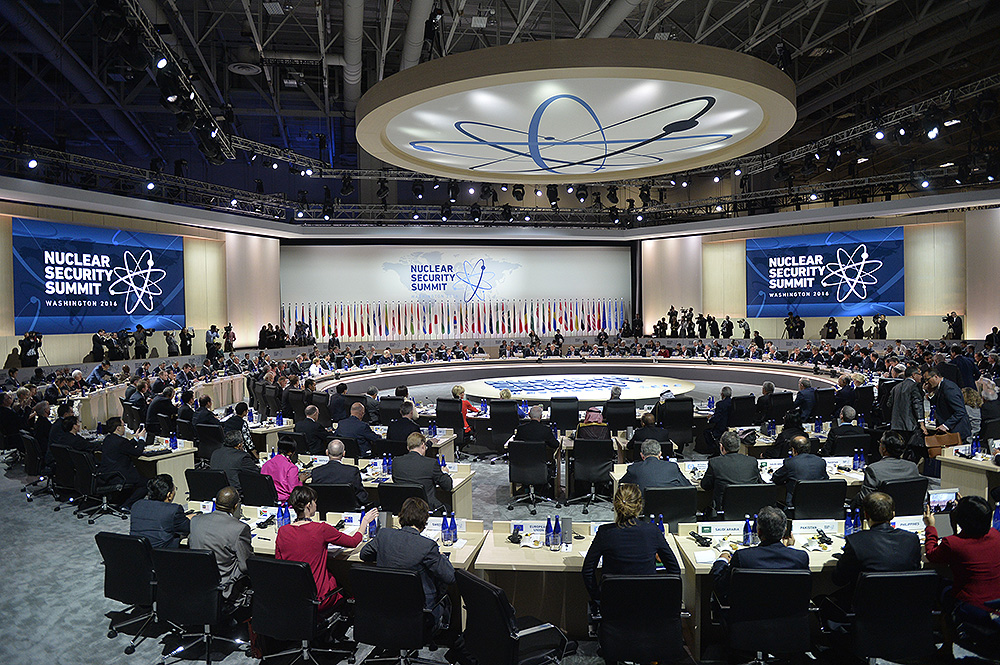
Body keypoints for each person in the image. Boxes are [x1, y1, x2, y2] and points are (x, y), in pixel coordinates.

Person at [276, 485, 377, 612]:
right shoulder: (321, 529)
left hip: (293, 597)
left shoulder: (282, 531)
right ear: (309, 505)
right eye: (315, 502)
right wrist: (364, 522)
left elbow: (280, 564)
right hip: (320, 598)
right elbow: (353, 542)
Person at [360, 497, 455, 628]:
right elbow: (450, 577)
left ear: (401, 516)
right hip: (420, 611)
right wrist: (442, 557)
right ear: (425, 520)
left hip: (385, 606)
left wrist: (386, 552)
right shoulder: (427, 546)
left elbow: (364, 555)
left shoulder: (384, 535)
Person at [582, 483, 680, 607]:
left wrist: (598, 598)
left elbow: (587, 570)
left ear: (615, 504)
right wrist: (663, 597)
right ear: (640, 506)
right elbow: (674, 569)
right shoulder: (652, 531)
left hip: (612, 606)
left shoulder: (605, 532)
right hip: (648, 605)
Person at [711, 506, 809, 602]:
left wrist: (722, 560)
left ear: (759, 531)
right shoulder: (801, 558)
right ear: (784, 531)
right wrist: (790, 548)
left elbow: (720, 587)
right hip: (789, 612)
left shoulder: (743, 557)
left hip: (749, 612)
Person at [924, 495, 1000, 611]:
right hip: (996, 603)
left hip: (969, 606)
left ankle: (944, 620)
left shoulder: (952, 544)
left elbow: (931, 554)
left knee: (938, 583)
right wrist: (970, 507)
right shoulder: (996, 535)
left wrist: (930, 527)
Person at [832, 492, 921, 588]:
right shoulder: (912, 539)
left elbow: (839, 580)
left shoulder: (856, 542)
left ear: (866, 515)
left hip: (866, 597)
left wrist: (843, 559)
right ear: (893, 514)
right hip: (905, 596)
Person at [189, 486, 252, 600]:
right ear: (236, 506)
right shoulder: (239, 528)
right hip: (226, 587)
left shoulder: (195, 521)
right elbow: (245, 566)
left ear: (215, 502)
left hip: (198, 583)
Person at [701, 431, 763, 517]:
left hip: (723, 511)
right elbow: (760, 483)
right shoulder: (752, 461)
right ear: (739, 446)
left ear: (721, 446)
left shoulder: (715, 463)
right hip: (750, 509)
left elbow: (705, 485)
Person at [855, 431, 922, 504]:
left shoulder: (874, 469)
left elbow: (865, 499)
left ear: (884, 449)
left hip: (883, 509)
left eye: (880, 443)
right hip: (908, 509)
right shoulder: (912, 467)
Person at [392, 432, 453, 512]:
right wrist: (445, 473)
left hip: (404, 507)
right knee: (448, 507)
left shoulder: (396, 462)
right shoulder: (431, 463)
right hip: (425, 508)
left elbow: (395, 480)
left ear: (408, 448)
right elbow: (447, 486)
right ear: (423, 446)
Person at [97, 417, 148, 509]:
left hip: (108, 473)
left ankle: (124, 501)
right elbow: (137, 452)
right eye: (123, 426)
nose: (124, 428)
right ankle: (127, 505)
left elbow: (125, 447)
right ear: (118, 428)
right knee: (147, 483)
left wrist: (135, 439)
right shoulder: (121, 442)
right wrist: (141, 439)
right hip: (121, 475)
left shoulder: (108, 439)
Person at [129, 474, 190, 548]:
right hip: (161, 551)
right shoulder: (173, 509)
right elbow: (186, 528)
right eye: (175, 489)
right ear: (169, 495)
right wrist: (190, 518)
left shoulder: (137, 505)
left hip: (138, 549)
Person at [771, 434, 829, 505]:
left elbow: (776, 478)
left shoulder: (790, 463)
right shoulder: (820, 461)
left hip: (795, 505)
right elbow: (826, 479)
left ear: (793, 450)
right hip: (818, 504)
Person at [311, 439, 368, 507]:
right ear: (344, 453)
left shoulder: (316, 472)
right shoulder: (352, 471)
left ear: (327, 452)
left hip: (324, 509)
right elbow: (361, 496)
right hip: (348, 508)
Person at [923, 365, 972, 443]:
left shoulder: (949, 388)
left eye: (927, 379)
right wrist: (930, 392)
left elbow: (960, 411)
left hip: (956, 430)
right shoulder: (940, 386)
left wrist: (946, 425)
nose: (926, 382)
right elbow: (937, 404)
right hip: (950, 430)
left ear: (935, 377)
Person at [620, 439, 691, 492]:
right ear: (660, 454)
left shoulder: (633, 469)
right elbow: (688, 486)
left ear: (642, 455)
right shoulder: (672, 467)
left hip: (643, 506)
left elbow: (621, 485)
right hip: (670, 506)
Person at [886, 364, 925, 450]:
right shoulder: (915, 386)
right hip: (910, 426)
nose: (921, 377)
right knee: (909, 451)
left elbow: (889, 404)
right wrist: (922, 423)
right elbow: (917, 405)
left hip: (895, 425)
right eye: (919, 374)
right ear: (914, 375)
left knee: (898, 449)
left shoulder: (896, 387)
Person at [210, 429, 259, 493]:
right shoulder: (242, 457)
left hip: (217, 490)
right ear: (239, 445)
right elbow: (255, 473)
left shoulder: (215, 453)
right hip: (236, 492)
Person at [704, 386, 732, 450]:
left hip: (721, 428)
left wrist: (710, 419)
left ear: (722, 394)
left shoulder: (720, 404)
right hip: (730, 427)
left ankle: (715, 450)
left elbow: (716, 418)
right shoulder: (734, 403)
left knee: (706, 432)